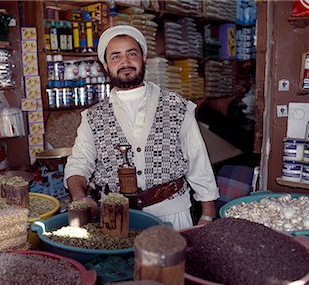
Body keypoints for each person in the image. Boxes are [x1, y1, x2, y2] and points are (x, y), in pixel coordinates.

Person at [64, 25, 219, 230]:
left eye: (132, 54)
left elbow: (198, 161)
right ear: (105, 65)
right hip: (117, 219)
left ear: (143, 57)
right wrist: (79, 196)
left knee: (174, 263)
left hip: (172, 215)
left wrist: (207, 215)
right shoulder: (93, 117)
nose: (125, 62)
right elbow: (78, 163)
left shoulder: (175, 105)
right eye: (116, 56)